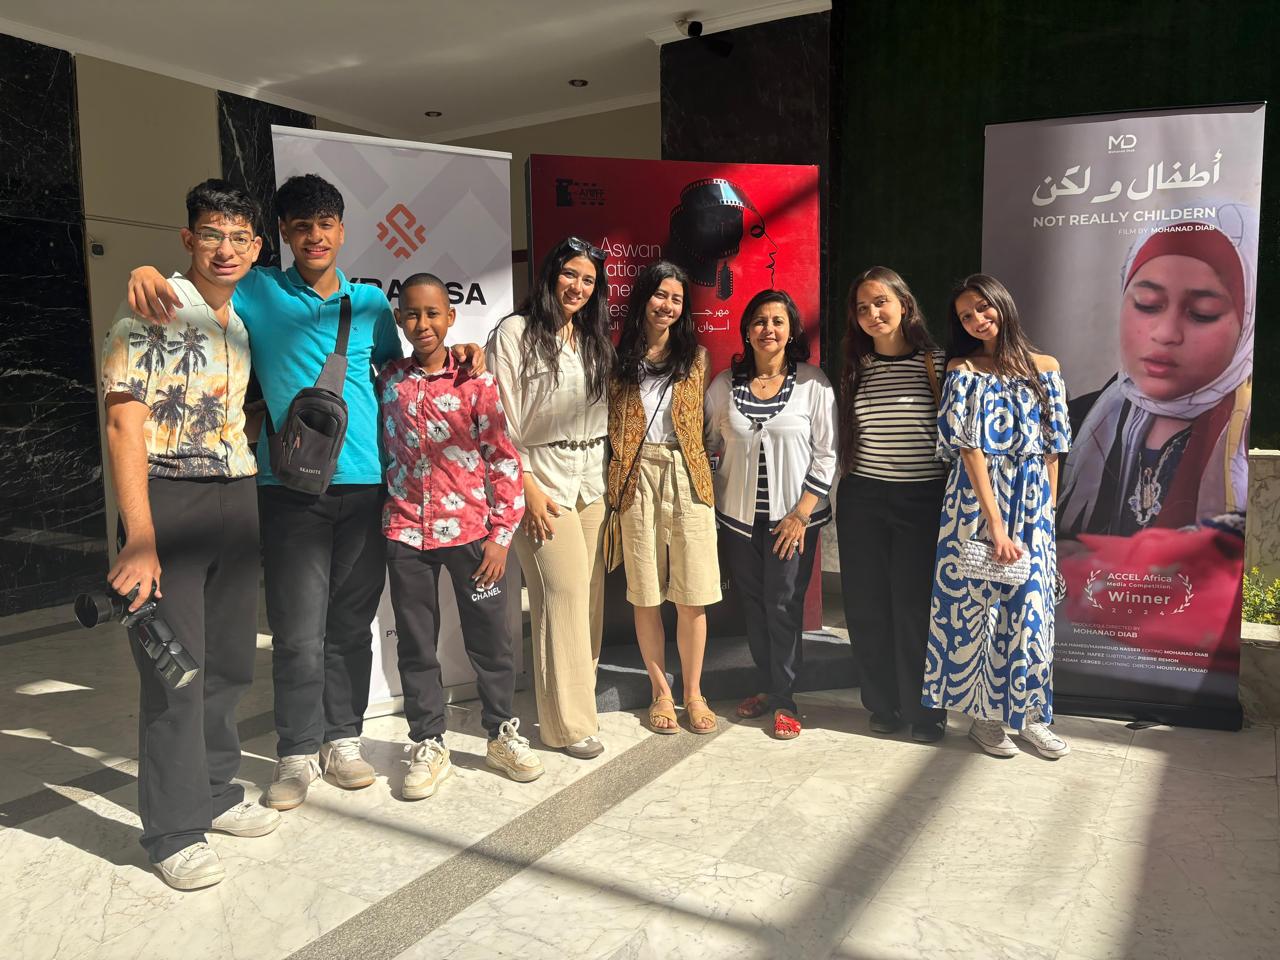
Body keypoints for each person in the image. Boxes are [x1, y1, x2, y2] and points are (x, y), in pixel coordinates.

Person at [125, 174, 484, 810]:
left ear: (342, 231)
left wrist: (460, 353)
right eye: (300, 227)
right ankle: (295, 751)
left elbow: (399, 371)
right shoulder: (259, 289)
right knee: (295, 631)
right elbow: (202, 283)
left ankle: (341, 739)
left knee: (349, 624)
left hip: (367, 485)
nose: (314, 237)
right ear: (283, 236)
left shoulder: (369, 303)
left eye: (325, 225)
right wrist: (146, 270)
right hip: (288, 488)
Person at [99, 179, 279, 890]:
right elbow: (124, 422)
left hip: (236, 495)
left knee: (230, 663)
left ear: (256, 247)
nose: (225, 248)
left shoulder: (241, 317)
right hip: (168, 500)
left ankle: (215, 791)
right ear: (187, 239)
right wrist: (140, 537)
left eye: (239, 237)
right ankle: (173, 829)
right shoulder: (153, 305)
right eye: (211, 234)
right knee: (176, 670)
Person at [378, 274, 543, 799]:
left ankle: (501, 733)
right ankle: (428, 742)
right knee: (416, 644)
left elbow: (502, 459)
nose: (422, 323)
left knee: (490, 641)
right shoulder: (389, 381)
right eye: (412, 314)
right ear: (400, 319)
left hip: (474, 536)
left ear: (450, 318)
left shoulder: (477, 380)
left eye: (433, 313)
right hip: (407, 533)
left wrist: (501, 536)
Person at [923, 274, 1072, 759]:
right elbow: (968, 448)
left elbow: (1054, 449)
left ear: (1002, 304)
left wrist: (1047, 515)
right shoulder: (964, 369)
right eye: (966, 316)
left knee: (1032, 615)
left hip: (1033, 507)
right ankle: (984, 719)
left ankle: (1030, 717)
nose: (976, 320)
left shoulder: (1046, 368)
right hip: (976, 505)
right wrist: (996, 524)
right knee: (980, 612)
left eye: (982, 308)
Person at [486, 237, 615, 758]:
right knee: (561, 594)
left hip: (592, 481)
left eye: (588, 280)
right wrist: (527, 486)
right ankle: (568, 726)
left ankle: (576, 703)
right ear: (550, 275)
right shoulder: (515, 333)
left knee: (588, 598)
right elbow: (498, 419)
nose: (578, 287)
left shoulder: (592, 339)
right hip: (541, 480)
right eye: (570, 274)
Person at [1060, 206, 1256, 537]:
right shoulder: (1076, 421)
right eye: (1147, 304)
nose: (1166, 333)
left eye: (1203, 312)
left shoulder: (1251, 435)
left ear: (1246, 323)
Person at [705, 289, 837, 740]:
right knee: (755, 604)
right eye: (760, 321)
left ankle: (785, 699)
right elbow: (709, 443)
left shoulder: (813, 384)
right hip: (739, 520)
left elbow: (827, 452)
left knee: (782, 604)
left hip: (793, 520)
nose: (768, 329)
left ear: (792, 330)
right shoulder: (724, 385)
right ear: (746, 330)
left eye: (778, 321)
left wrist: (801, 514)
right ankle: (766, 686)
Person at [836, 267, 949, 742]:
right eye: (862, 308)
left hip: (921, 498)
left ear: (904, 303)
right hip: (862, 497)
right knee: (866, 606)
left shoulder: (937, 363)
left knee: (914, 608)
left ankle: (925, 712)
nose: (872, 314)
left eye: (880, 302)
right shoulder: (854, 366)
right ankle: (882, 705)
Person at [607, 261, 720, 735]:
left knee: (693, 594)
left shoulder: (697, 359)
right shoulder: (615, 359)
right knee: (646, 594)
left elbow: (706, 426)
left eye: (676, 298)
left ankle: (693, 693)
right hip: (636, 476)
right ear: (643, 298)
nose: (667, 305)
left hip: (687, 474)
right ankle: (660, 692)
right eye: (660, 295)